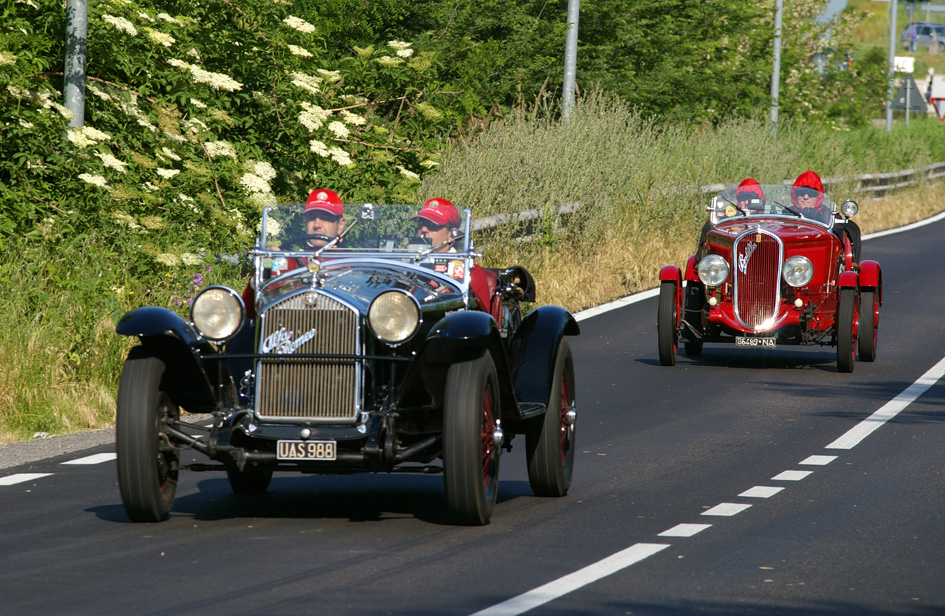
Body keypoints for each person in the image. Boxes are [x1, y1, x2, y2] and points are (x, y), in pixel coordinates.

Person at [241, 188, 345, 319]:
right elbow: (248, 319)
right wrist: (262, 273)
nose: (317, 224)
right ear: (305, 222)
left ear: (340, 225)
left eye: (325, 218)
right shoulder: (287, 262)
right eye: (311, 217)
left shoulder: (352, 265)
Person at [415, 198, 502, 320]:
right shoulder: (404, 266)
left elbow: (481, 323)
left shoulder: (470, 273)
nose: (423, 230)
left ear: (452, 233)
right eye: (420, 223)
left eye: (432, 225)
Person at [791, 171, 861, 262]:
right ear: (795, 195)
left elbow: (837, 245)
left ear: (818, 196)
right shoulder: (786, 213)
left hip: (820, 259)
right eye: (801, 192)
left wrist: (817, 218)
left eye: (812, 193)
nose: (806, 196)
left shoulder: (827, 215)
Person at [695, 178, 764, 261]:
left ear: (759, 201)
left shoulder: (768, 221)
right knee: (709, 224)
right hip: (729, 264)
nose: (746, 203)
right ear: (738, 201)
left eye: (751, 199)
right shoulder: (731, 219)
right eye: (743, 198)